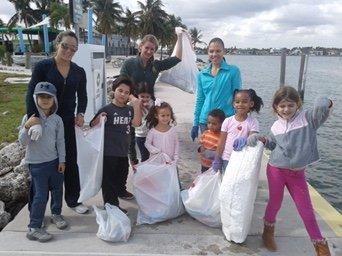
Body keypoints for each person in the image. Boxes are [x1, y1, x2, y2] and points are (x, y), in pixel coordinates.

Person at [247, 86, 332, 256]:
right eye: (282, 106)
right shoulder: (276, 125)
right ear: (276, 107)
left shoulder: (309, 118)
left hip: (297, 174)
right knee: (275, 203)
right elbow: (271, 144)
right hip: (276, 169)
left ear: (298, 105)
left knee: (306, 210)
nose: (286, 109)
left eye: (290, 105)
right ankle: (267, 233)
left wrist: (326, 100)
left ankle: (321, 248)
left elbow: (322, 106)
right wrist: (259, 138)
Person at [26, 30, 88, 214]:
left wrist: (81, 113)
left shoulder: (79, 71)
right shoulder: (43, 67)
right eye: (65, 46)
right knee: (42, 164)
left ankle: (73, 200)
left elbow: (82, 96)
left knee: (69, 159)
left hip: (67, 122)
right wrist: (33, 117)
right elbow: (31, 93)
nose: (69, 51)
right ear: (57, 44)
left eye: (73, 49)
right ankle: (35, 207)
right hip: (45, 121)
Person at [120, 32, 184, 166]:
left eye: (152, 49)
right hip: (132, 105)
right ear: (140, 47)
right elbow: (121, 84)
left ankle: (153, 165)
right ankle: (134, 162)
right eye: (147, 48)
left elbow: (177, 58)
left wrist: (179, 37)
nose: (149, 51)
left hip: (150, 107)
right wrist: (134, 101)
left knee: (151, 139)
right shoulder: (129, 64)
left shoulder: (155, 65)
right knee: (131, 138)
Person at [19, 82, 67, 242]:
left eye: (49, 97)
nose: (45, 100)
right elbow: (22, 142)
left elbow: (60, 141)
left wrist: (62, 160)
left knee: (58, 190)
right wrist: (27, 126)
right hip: (37, 165)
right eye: (41, 96)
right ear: (35, 98)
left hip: (54, 162)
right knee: (40, 196)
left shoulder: (57, 120)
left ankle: (56, 213)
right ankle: (34, 227)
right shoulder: (29, 117)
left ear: (54, 99)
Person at [90, 77, 142, 213]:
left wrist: (136, 105)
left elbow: (136, 124)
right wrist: (98, 119)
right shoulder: (106, 109)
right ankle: (111, 205)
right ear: (114, 90)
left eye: (126, 92)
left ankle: (121, 191)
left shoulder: (129, 110)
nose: (123, 94)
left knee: (122, 174)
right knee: (109, 181)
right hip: (108, 153)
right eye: (120, 91)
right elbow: (92, 126)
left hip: (123, 151)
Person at [191, 37, 241, 141]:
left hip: (226, 120)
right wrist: (195, 124)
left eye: (218, 51)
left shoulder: (233, 71)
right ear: (207, 52)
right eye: (211, 51)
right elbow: (200, 99)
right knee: (206, 154)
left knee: (225, 154)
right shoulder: (202, 74)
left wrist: (240, 121)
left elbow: (237, 98)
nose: (214, 54)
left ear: (224, 52)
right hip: (206, 121)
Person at [213, 89, 263, 172]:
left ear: (251, 104)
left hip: (243, 159)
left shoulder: (253, 122)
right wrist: (217, 158)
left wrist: (245, 141)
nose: (240, 104)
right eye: (237, 102)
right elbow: (221, 142)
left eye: (244, 102)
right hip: (227, 158)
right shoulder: (227, 121)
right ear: (233, 104)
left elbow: (252, 140)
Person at [145, 100, 179, 164]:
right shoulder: (152, 132)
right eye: (163, 115)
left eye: (168, 115)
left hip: (170, 162)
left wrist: (175, 158)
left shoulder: (173, 130)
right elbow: (147, 144)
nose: (166, 118)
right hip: (156, 162)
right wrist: (155, 151)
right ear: (156, 116)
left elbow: (176, 144)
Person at [198, 109, 225, 173]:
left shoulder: (222, 136)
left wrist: (211, 154)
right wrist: (201, 149)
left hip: (214, 166)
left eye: (214, 124)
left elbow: (222, 151)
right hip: (204, 164)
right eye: (209, 123)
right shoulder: (205, 133)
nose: (210, 125)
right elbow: (201, 145)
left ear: (222, 124)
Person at [134, 82, 154, 162]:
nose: (145, 99)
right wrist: (137, 105)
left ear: (151, 96)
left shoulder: (153, 104)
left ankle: (152, 172)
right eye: (142, 96)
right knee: (144, 156)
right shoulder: (135, 104)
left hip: (152, 135)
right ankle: (144, 173)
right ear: (137, 96)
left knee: (153, 156)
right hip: (140, 136)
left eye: (147, 97)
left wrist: (150, 109)